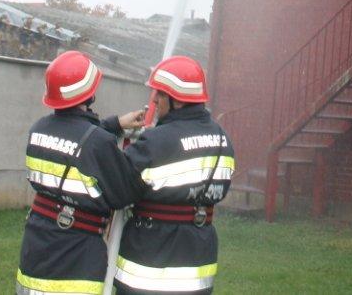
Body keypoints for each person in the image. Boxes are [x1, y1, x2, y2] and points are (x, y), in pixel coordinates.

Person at [17, 50, 143, 295]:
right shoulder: (97, 143)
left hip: (36, 246)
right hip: (76, 254)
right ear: (89, 93)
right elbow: (126, 193)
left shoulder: (38, 130)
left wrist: (116, 123)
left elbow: (76, 136)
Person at [113, 56, 235, 294]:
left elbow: (118, 191)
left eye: (160, 94)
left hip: (150, 258)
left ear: (177, 100)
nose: (155, 100)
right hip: (199, 256)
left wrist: (126, 145)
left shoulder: (157, 141)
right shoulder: (222, 139)